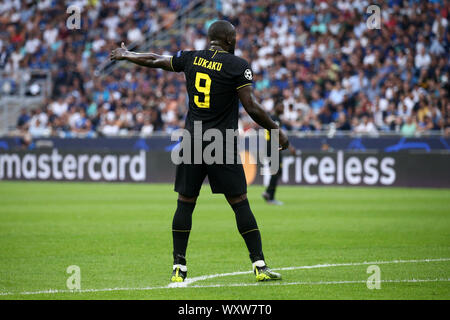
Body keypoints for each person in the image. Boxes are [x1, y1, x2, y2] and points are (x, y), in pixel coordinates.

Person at [110, 20, 290, 283]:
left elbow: (156, 59)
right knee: (240, 203)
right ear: (229, 39)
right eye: (235, 36)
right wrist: (276, 130)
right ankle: (259, 265)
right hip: (221, 142)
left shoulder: (192, 58)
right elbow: (251, 107)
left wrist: (128, 55)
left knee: (185, 203)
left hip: (192, 141)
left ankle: (178, 268)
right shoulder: (238, 66)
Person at [262, 101, 296, 205]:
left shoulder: (276, 118)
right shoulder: (274, 118)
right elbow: (276, 134)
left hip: (274, 146)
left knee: (278, 171)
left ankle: (268, 193)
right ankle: (270, 196)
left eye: (283, 107)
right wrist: (289, 146)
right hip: (272, 146)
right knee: (276, 171)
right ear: (276, 106)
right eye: (281, 106)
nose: (282, 108)